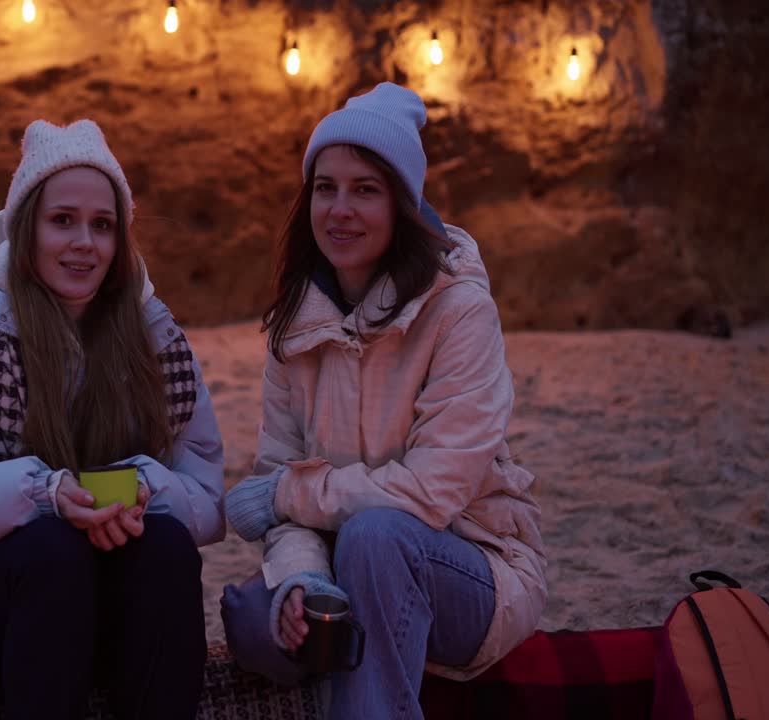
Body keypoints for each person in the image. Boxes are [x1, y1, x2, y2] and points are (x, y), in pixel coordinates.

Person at [0, 119, 226, 720]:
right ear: (27, 227)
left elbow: (207, 497)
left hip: (113, 593)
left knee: (166, 545)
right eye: (63, 220)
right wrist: (41, 494)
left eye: (103, 225)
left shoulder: (155, 339)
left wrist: (145, 489)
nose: (84, 242)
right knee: (50, 548)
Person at [221, 83, 547, 719]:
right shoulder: (295, 325)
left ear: (402, 205)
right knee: (255, 619)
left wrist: (291, 494)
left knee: (376, 537)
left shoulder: (460, 313)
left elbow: (429, 494)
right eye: (325, 187)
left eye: (365, 190)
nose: (339, 209)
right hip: (346, 564)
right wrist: (303, 581)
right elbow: (281, 478)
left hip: (473, 569)